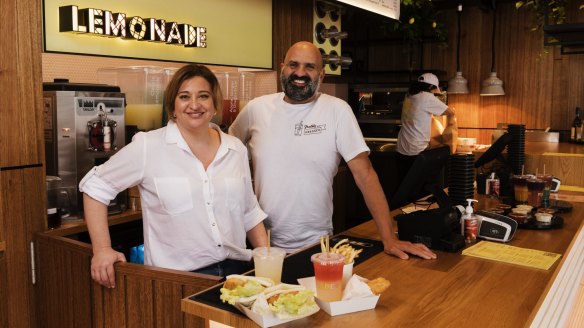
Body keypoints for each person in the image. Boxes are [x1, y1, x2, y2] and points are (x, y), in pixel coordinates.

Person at [229, 41, 436, 260]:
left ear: (321, 75)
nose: (300, 73)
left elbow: (365, 175)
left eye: (309, 67)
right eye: (293, 65)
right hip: (261, 244)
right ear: (282, 68)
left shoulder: (337, 111)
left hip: (317, 245)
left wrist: (389, 238)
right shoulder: (256, 109)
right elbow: (224, 152)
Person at [80, 64, 268, 288]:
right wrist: (102, 249)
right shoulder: (148, 146)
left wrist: (266, 261)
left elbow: (248, 211)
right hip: (177, 281)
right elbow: (95, 187)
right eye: (184, 96)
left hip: (238, 275)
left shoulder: (235, 148)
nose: (195, 105)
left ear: (215, 104)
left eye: (204, 96)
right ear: (173, 105)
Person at [396, 73, 456, 182]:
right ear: (430, 87)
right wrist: (451, 124)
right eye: (434, 90)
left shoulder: (409, 95)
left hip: (402, 147)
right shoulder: (426, 97)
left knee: (404, 184)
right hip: (417, 149)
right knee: (419, 185)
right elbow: (450, 112)